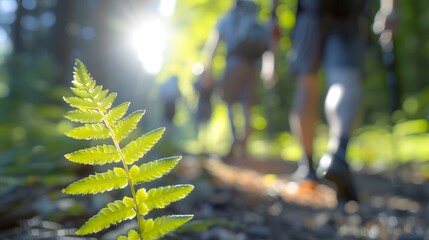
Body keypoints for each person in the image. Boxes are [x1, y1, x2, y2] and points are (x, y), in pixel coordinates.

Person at [288, 0, 397, 203]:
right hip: (350, 10)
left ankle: (308, 167)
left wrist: (273, 14)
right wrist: (390, 8)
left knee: (306, 85)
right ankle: (337, 153)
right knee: (345, 80)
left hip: (310, 10)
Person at [201, 0, 275, 159]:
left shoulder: (226, 19)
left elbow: (213, 46)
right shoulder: (253, 17)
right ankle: (244, 146)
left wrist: (208, 69)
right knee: (247, 106)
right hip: (252, 65)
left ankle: (236, 141)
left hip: (233, 63)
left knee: (229, 102)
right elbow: (268, 43)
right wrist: (269, 67)